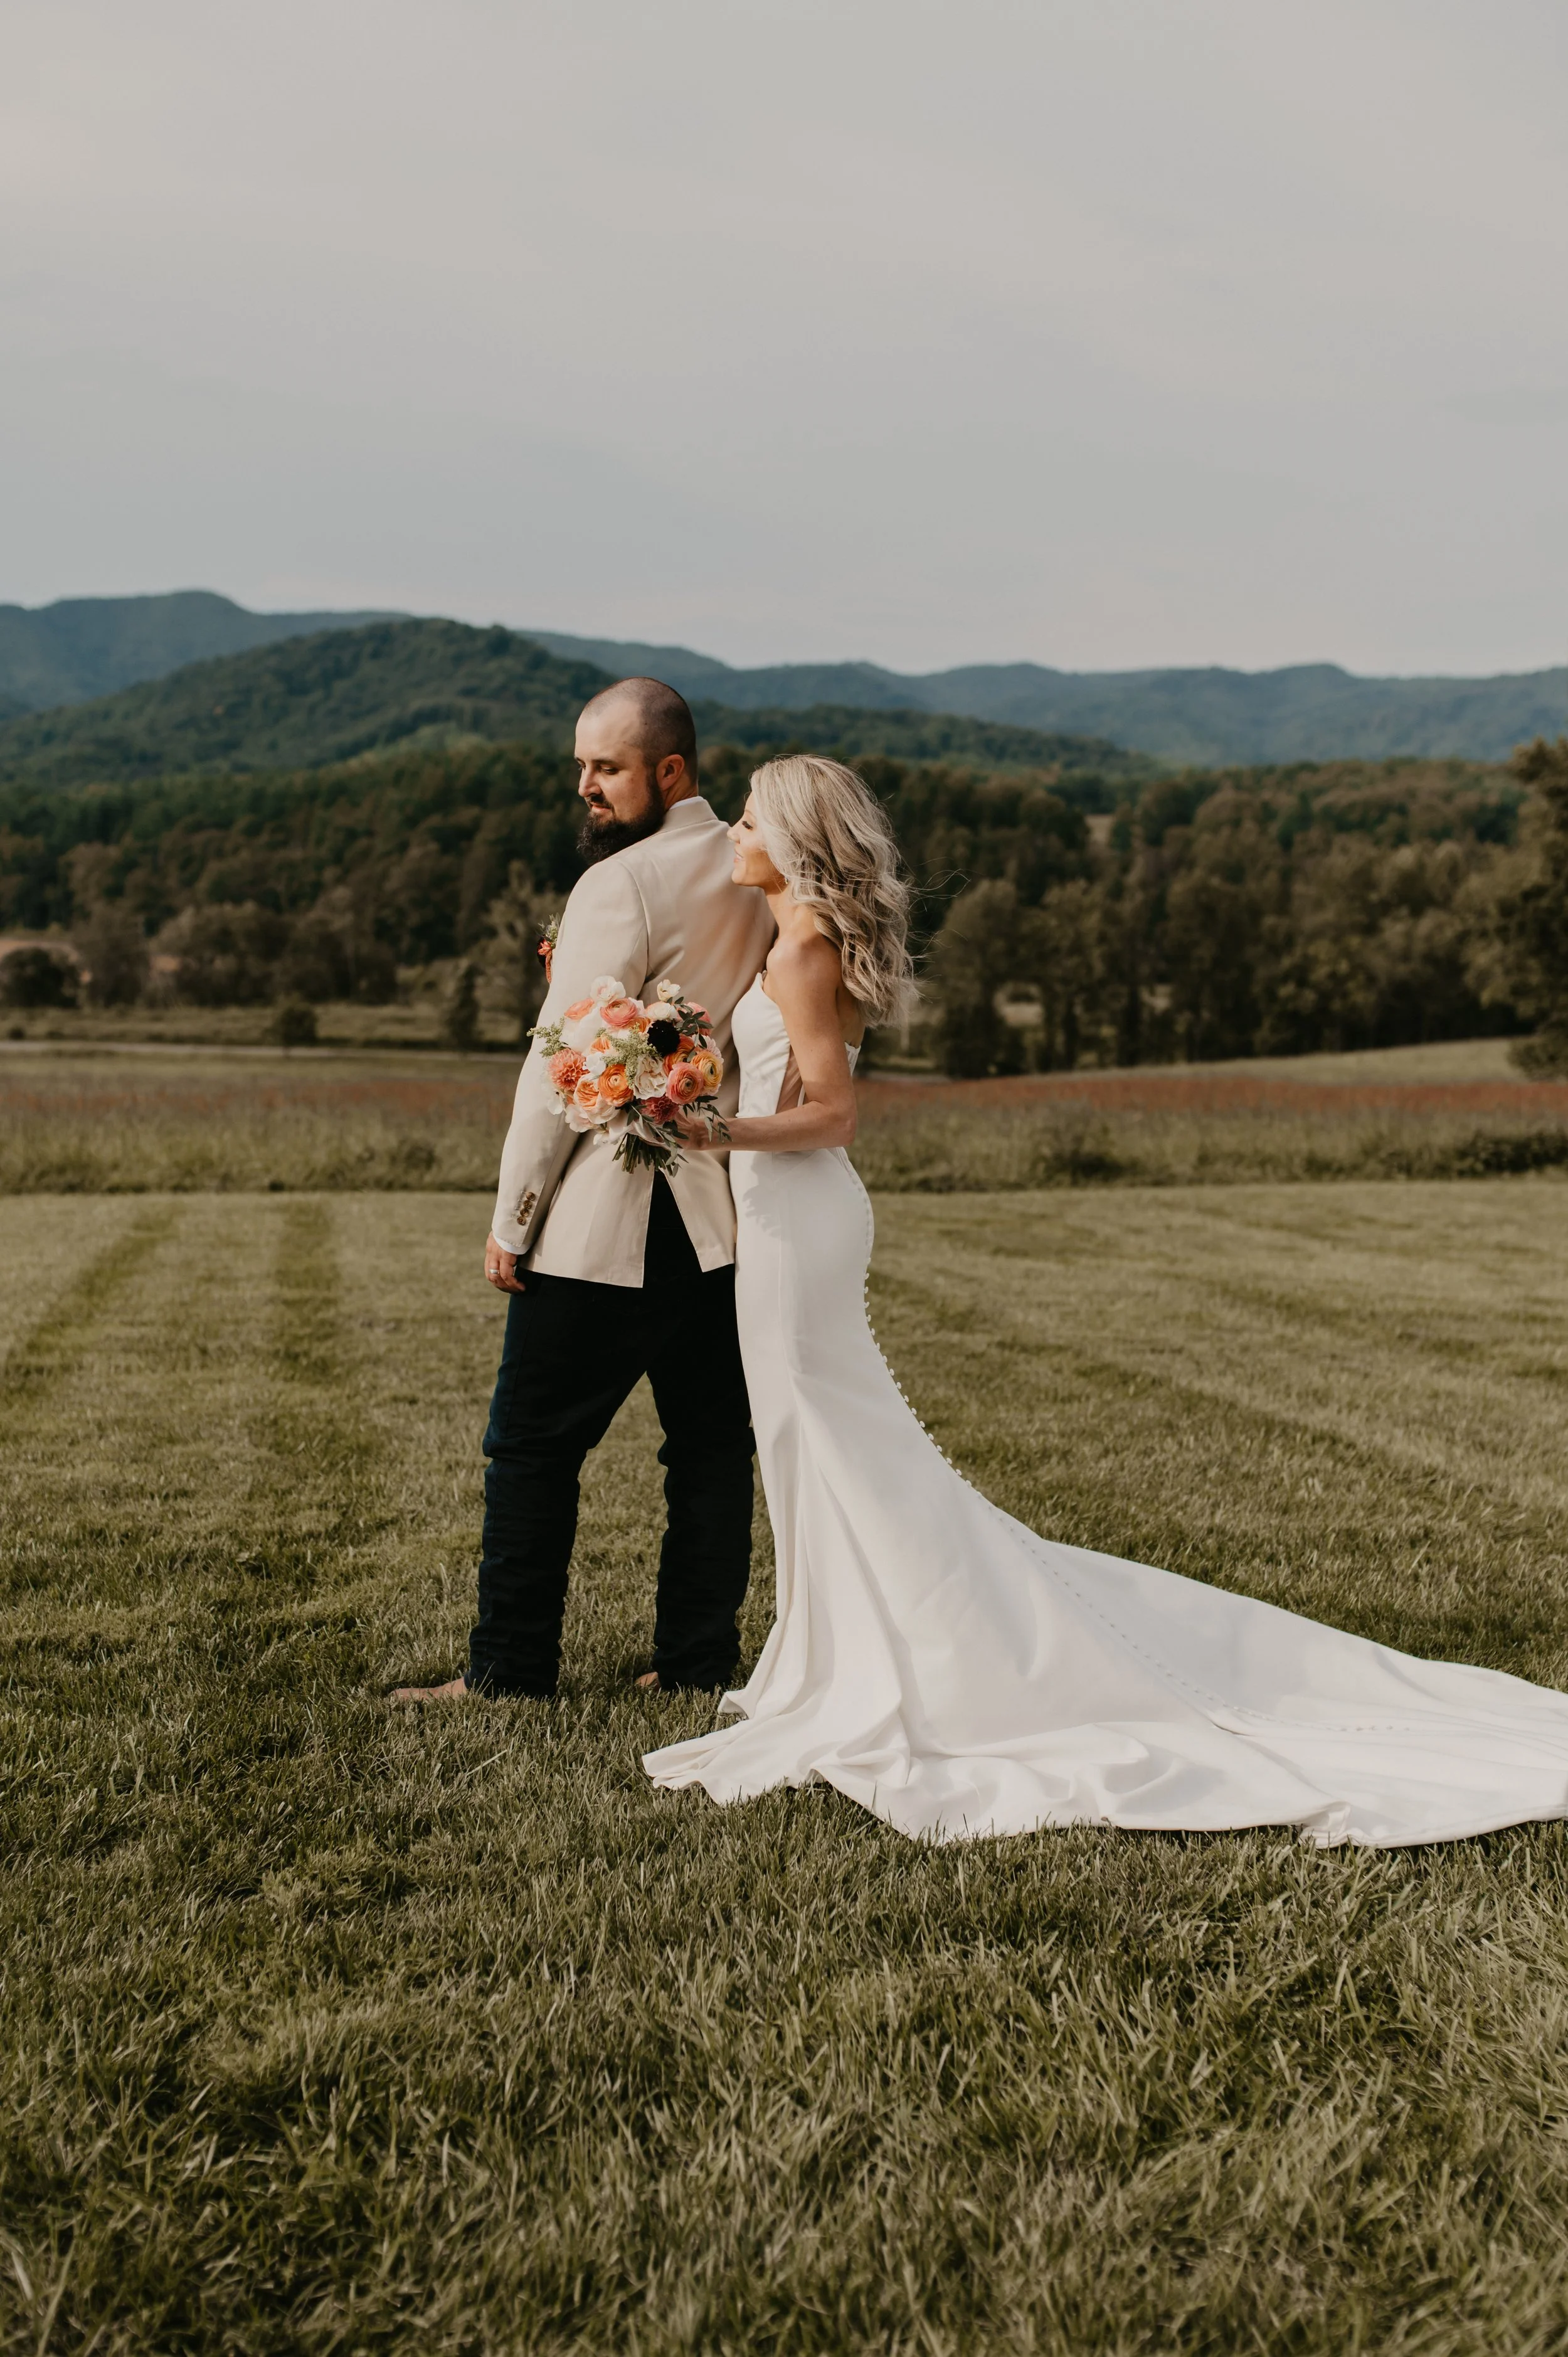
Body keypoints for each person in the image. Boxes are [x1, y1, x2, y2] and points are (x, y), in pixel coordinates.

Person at [644, 755, 1568, 1845]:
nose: (735, 833)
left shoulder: (800, 951)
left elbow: (836, 1115)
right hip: (792, 1218)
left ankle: (896, 1670)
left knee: (835, 1442)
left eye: (748, 820)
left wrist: (717, 1130)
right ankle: (833, 1655)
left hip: (800, 1219)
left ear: (794, 840)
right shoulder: (791, 941)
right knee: (817, 1444)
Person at [394, 678, 773, 1704]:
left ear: (670, 771)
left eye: (605, 769)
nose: (585, 789)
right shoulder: (757, 867)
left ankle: (509, 1674)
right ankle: (697, 1668)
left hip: (614, 1214)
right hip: (724, 1222)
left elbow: (556, 1068)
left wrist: (513, 1219)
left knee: (530, 1446)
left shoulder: (621, 885)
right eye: (580, 767)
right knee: (708, 1452)